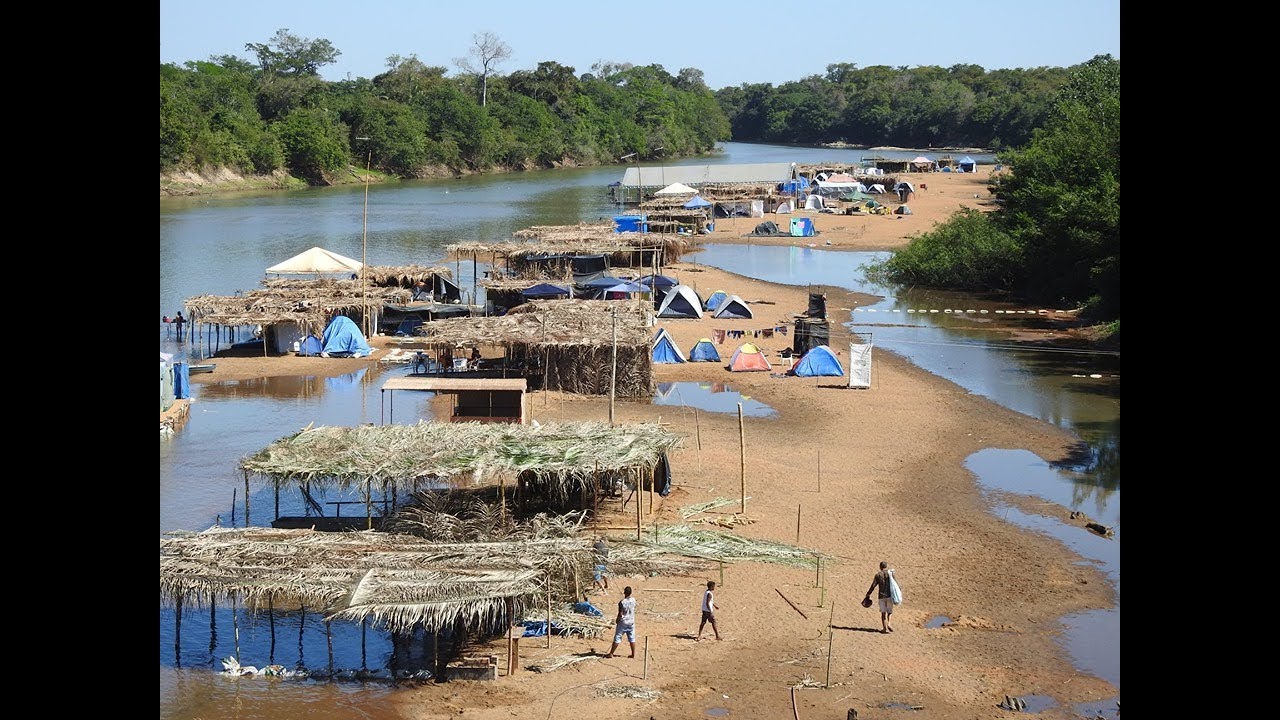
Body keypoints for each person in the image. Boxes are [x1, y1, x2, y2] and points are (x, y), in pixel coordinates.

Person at [863, 560, 896, 633]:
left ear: (880, 567)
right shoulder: (890, 574)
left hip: (881, 596)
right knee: (889, 612)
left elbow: (873, 585)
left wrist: (868, 593)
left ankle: (884, 629)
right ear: (886, 566)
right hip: (889, 595)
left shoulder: (878, 575)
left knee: (883, 613)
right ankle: (889, 623)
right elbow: (895, 583)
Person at [604, 586, 636, 658]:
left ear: (624, 592)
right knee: (632, 638)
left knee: (617, 637)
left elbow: (620, 613)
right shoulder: (633, 600)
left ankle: (611, 653)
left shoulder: (622, 602)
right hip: (631, 621)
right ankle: (633, 654)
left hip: (623, 622)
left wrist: (617, 620)